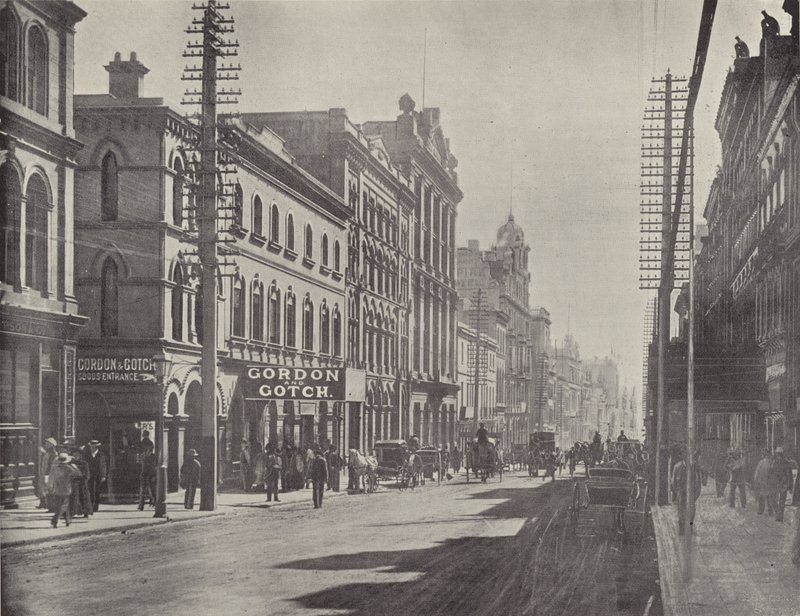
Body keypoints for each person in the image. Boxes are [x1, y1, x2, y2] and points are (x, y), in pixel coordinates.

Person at [671, 448, 702, 536]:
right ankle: (681, 529)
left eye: (687, 454)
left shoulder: (694, 467)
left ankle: (690, 527)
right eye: (684, 454)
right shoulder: (677, 467)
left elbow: (698, 482)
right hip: (681, 494)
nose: (686, 456)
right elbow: (673, 482)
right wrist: (677, 493)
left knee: (692, 512)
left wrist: (696, 495)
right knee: (681, 512)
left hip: (691, 494)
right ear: (681, 455)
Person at [47, 453, 82, 528]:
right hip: (66, 489)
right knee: (64, 504)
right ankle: (56, 519)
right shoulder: (69, 468)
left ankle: (67, 520)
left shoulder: (55, 468)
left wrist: (50, 487)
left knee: (61, 504)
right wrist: (74, 466)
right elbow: (79, 474)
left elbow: (50, 479)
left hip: (57, 489)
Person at [768, 447, 795, 522]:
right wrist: (790, 486)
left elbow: (789, 475)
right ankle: (779, 515)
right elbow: (771, 472)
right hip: (779, 484)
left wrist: (790, 486)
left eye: (779, 454)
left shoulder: (782, 462)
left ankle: (779, 517)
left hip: (781, 484)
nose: (778, 455)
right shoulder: (775, 462)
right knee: (777, 500)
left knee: (779, 500)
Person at [69, 447, 93, 518]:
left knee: (84, 497)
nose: (76, 456)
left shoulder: (84, 463)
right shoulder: (71, 463)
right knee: (74, 497)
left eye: (77, 455)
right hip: (74, 482)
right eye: (74, 455)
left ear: (80, 455)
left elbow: (87, 473)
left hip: (82, 482)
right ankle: (73, 512)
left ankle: (86, 512)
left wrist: (85, 479)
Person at [85, 440, 107, 512]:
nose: (92, 448)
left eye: (94, 447)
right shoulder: (87, 455)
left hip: (98, 475)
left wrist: (103, 475)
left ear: (97, 447)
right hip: (90, 475)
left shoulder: (101, 455)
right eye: (91, 447)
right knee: (90, 490)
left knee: (97, 491)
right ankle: (90, 506)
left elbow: (103, 465)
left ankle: (95, 507)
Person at [36, 437, 58, 510]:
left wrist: (46, 473)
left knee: (47, 488)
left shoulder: (53, 453)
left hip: (48, 473)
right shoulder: (48, 452)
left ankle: (47, 504)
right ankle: (43, 503)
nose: (46, 444)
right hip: (44, 472)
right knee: (42, 488)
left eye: (47, 443)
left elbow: (50, 464)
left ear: (51, 445)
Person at [752, 449, 774, 516]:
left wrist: (755, 480)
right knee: (769, 497)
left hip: (762, 482)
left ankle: (760, 511)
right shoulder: (771, 462)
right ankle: (770, 512)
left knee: (762, 497)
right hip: (769, 482)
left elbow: (756, 473)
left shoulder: (761, 462)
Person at [138, 443, 158, 511]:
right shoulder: (144, 456)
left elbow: (155, 467)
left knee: (152, 491)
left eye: (148, 449)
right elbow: (142, 465)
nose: (147, 450)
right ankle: (141, 506)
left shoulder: (153, 457)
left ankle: (155, 504)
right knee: (142, 491)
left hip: (151, 475)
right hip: (144, 475)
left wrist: (154, 476)